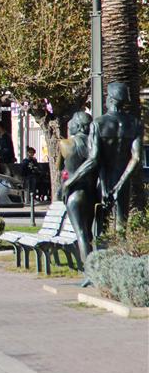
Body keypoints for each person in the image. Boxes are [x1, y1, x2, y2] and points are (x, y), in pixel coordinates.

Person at [65, 81, 143, 233]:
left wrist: (70, 182)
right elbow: (136, 158)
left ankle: (102, 256)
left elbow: (94, 159)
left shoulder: (98, 124)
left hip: (103, 180)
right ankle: (121, 254)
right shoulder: (135, 124)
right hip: (124, 179)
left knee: (101, 227)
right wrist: (120, 184)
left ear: (112, 99)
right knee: (121, 227)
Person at [58, 112, 95, 262]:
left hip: (75, 194)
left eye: (72, 123)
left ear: (79, 126)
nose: (69, 125)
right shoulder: (93, 145)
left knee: (81, 234)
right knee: (89, 234)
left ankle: (88, 271)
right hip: (91, 193)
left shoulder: (65, 144)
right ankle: (93, 266)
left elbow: (60, 166)